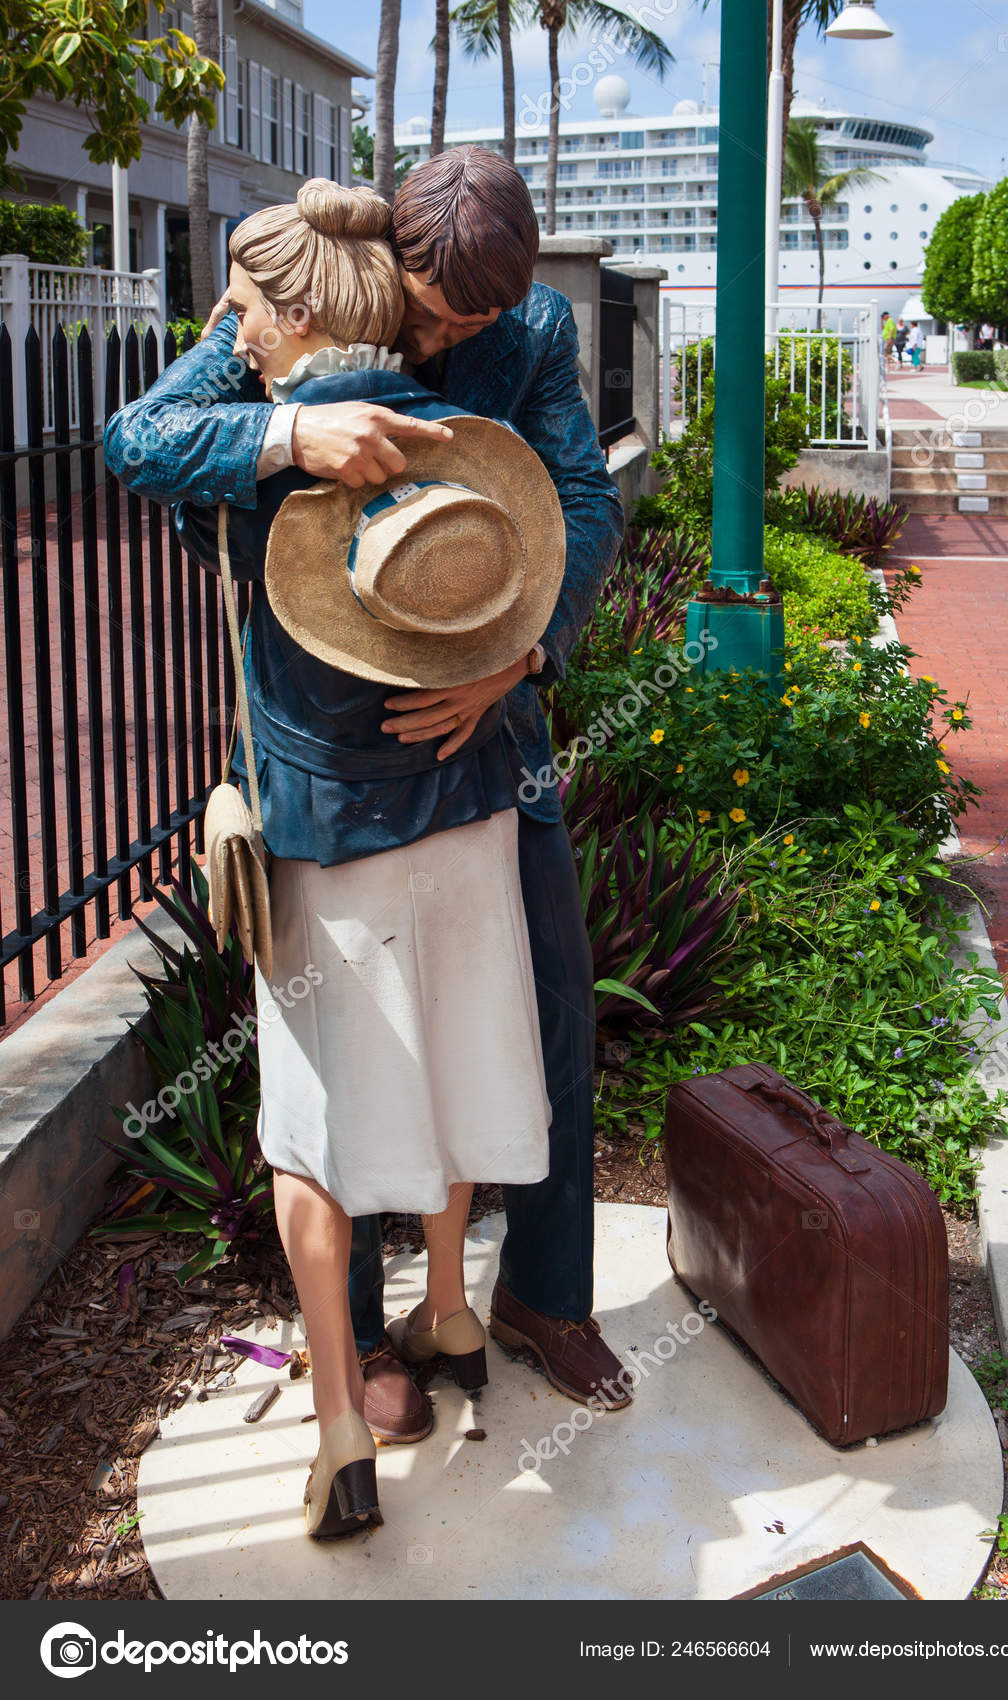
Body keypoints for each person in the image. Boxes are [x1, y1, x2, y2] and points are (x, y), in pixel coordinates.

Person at [102, 148, 632, 1453]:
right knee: (351, 1060)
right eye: (431, 308)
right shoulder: (310, 297)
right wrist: (288, 430)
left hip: (484, 737)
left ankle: (537, 1300)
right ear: (391, 253)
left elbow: (582, 503)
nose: (444, 337)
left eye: (472, 323)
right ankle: (359, 1346)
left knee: (543, 1008)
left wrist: (517, 664)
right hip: (321, 758)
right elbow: (139, 438)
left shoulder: (537, 328)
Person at [880, 310, 896, 375]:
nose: (883, 317)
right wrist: (881, 321)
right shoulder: (887, 322)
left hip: (889, 339)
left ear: (886, 315)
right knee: (887, 353)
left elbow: (892, 329)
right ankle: (888, 367)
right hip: (886, 338)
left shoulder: (890, 320)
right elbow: (883, 328)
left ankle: (896, 362)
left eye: (883, 316)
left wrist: (890, 338)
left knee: (885, 353)